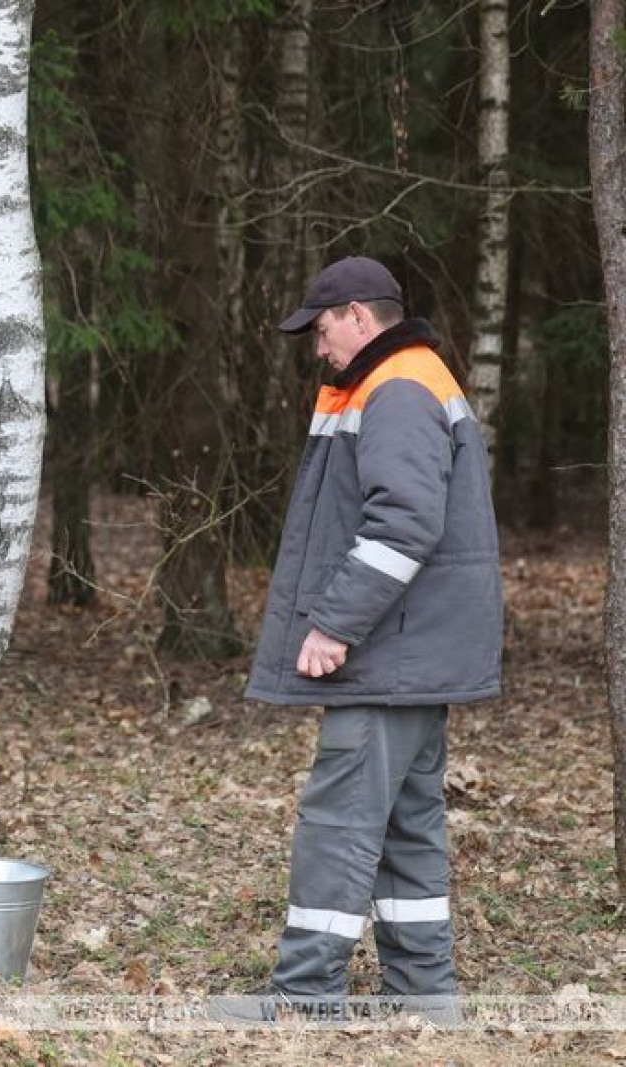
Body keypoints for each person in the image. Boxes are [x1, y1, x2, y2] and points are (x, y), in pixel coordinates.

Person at [245, 256, 502, 1005]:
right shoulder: (416, 378)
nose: (319, 348)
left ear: (359, 316)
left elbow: (402, 525)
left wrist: (334, 623)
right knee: (407, 824)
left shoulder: (394, 389)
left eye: (322, 330)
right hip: (417, 651)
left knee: (341, 816)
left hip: (390, 649)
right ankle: (423, 992)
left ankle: (304, 997)